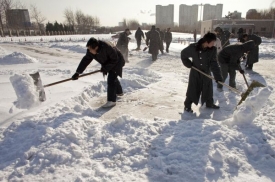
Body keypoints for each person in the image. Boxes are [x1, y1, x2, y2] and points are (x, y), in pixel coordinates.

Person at [71, 37, 125, 108]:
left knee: (112, 78)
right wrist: (78, 72)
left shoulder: (107, 47)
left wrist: (105, 68)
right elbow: (85, 60)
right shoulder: (91, 51)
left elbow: (114, 59)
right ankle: (119, 92)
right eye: (88, 49)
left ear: (96, 47)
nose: (89, 51)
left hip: (118, 61)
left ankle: (111, 101)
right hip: (109, 62)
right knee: (113, 77)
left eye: (90, 49)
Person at [181, 32, 223, 112]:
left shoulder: (212, 50)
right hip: (195, 72)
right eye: (213, 42)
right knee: (192, 89)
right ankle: (187, 105)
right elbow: (183, 54)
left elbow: (214, 63)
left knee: (208, 89)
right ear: (207, 42)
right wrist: (189, 64)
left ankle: (209, 103)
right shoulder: (194, 47)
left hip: (206, 73)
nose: (214, 44)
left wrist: (218, 77)